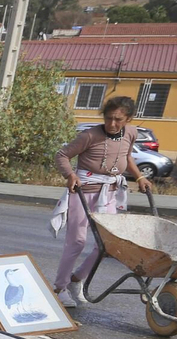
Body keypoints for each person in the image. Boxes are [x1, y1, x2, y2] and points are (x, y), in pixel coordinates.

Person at [50, 95, 152, 308]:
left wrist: (140, 177)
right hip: (83, 191)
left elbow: (128, 157)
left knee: (107, 244)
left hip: (109, 193)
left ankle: (76, 280)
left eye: (118, 119)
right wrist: (70, 175)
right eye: (108, 118)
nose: (112, 124)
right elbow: (62, 155)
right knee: (76, 242)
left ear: (129, 119)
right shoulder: (90, 136)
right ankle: (59, 287)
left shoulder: (131, 133)